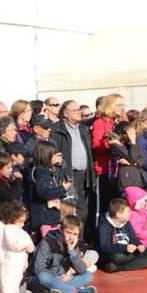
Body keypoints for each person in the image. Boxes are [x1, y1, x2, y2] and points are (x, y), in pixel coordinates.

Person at [51, 100, 96, 237]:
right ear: (65, 113)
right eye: (75, 110)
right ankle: (68, 238)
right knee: (70, 207)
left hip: (84, 174)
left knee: (83, 208)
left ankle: (80, 239)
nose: (79, 112)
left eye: (79, 110)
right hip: (68, 174)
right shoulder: (57, 129)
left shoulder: (83, 129)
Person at [29, 215, 98, 293]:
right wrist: (59, 278)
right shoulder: (47, 243)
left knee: (88, 275)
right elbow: (37, 269)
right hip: (39, 280)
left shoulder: (73, 245)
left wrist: (72, 252)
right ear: (61, 230)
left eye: (75, 234)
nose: (71, 237)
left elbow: (82, 270)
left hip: (61, 280)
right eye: (68, 232)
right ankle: (77, 292)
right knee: (43, 277)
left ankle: (56, 291)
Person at [98, 198, 147, 273]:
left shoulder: (127, 223)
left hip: (126, 253)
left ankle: (118, 268)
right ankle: (145, 252)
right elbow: (105, 247)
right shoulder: (104, 226)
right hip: (111, 254)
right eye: (127, 212)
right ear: (118, 215)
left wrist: (139, 245)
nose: (130, 213)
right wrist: (125, 248)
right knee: (117, 257)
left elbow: (132, 238)